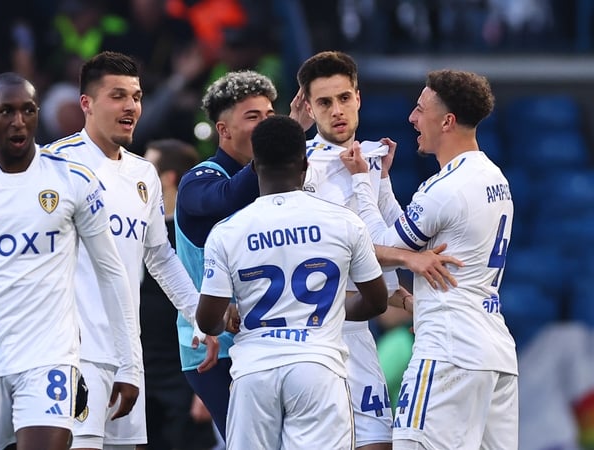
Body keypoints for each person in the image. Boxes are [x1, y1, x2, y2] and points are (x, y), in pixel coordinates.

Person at [0, 72, 141, 450]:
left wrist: (130, 362)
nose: (19, 122)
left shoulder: (73, 179)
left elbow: (111, 271)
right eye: (7, 111)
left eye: (28, 110)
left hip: (51, 356)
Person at [43, 51, 216, 450]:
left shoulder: (143, 175)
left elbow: (160, 256)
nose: (131, 107)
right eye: (117, 96)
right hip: (71, 351)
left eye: (136, 97)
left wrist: (199, 315)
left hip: (126, 353)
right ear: (87, 103)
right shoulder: (54, 165)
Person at [295, 50, 464, 450]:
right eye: (324, 102)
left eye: (343, 98)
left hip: (358, 329)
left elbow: (389, 236)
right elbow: (342, 249)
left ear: (358, 97)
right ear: (309, 108)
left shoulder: (370, 158)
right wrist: (408, 260)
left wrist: (404, 298)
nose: (337, 110)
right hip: (310, 335)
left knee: (378, 443)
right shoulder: (300, 167)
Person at [341, 69, 517, 450]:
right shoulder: (495, 178)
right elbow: (411, 232)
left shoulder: (446, 187)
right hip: (495, 355)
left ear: (447, 121)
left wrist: (362, 182)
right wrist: (383, 185)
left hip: (448, 352)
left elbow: (379, 246)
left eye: (421, 109)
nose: (412, 118)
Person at [195, 114, 390, 449]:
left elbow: (206, 320)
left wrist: (227, 318)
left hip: (254, 372)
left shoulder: (227, 231)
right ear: (305, 164)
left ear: (254, 167)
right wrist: (329, 311)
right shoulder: (345, 222)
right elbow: (377, 302)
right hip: (317, 369)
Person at [174, 70, 276, 439]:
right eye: (253, 117)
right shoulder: (198, 180)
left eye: (270, 117)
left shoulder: (275, 185)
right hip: (216, 350)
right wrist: (280, 142)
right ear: (224, 130)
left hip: (268, 341)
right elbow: (229, 198)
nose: (265, 126)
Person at [140, 139, 216, 450]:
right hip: (142, 368)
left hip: (184, 372)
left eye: (149, 170)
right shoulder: (135, 229)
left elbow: (217, 303)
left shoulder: (198, 235)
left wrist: (206, 388)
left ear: (168, 178)